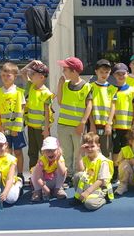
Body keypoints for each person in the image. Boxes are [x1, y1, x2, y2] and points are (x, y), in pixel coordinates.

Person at [56, 57, 93, 186]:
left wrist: (82, 123)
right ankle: (68, 176)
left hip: (77, 126)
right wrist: (60, 85)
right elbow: (60, 102)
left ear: (74, 71)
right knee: (66, 152)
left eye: (65, 69)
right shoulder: (65, 84)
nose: (63, 72)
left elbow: (89, 106)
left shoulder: (87, 86)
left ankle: (79, 175)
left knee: (79, 152)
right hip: (63, 125)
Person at [0, 62, 26, 182]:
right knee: (6, 152)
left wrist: (16, 129)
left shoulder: (19, 92)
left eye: (9, 75)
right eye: (3, 75)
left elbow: (21, 111)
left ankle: (20, 174)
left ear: (15, 76)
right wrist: (0, 127)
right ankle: (7, 174)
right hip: (2, 129)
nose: (6, 78)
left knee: (17, 151)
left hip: (16, 129)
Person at [20, 60, 54, 170]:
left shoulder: (46, 93)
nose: (31, 75)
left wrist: (46, 129)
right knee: (32, 152)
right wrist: (32, 63)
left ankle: (47, 172)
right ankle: (33, 173)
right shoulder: (31, 86)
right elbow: (23, 72)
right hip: (31, 126)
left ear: (42, 77)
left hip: (41, 128)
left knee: (44, 151)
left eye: (34, 74)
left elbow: (47, 112)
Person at [110, 63, 134, 181]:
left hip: (128, 126)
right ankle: (116, 172)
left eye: (123, 73)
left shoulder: (132, 90)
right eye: (118, 74)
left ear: (127, 74)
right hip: (115, 126)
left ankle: (128, 172)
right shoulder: (111, 89)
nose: (121, 76)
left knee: (127, 150)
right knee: (116, 150)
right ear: (114, 75)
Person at [72, 132, 114, 211]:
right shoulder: (85, 158)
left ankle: (104, 198)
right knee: (78, 175)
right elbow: (80, 170)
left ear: (98, 146)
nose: (90, 149)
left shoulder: (103, 161)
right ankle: (81, 197)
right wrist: (79, 153)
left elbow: (101, 180)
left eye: (92, 146)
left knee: (89, 204)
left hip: (100, 187)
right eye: (87, 147)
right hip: (90, 185)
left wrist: (87, 192)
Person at [89, 59, 118, 159]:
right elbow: (88, 107)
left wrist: (109, 124)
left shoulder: (112, 88)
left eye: (107, 72)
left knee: (105, 152)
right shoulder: (90, 87)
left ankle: (105, 173)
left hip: (106, 126)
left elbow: (113, 106)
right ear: (96, 71)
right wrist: (92, 124)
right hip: (94, 125)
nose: (104, 74)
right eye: (101, 72)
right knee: (91, 149)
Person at [30, 136, 68, 202]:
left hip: (54, 182)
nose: (50, 153)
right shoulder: (42, 160)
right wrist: (44, 187)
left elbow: (62, 173)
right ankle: (37, 191)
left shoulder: (60, 158)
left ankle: (57, 189)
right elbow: (38, 177)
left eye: (53, 150)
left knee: (64, 170)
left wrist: (58, 160)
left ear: (58, 150)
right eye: (47, 151)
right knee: (35, 171)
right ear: (43, 152)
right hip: (43, 182)